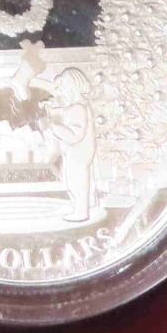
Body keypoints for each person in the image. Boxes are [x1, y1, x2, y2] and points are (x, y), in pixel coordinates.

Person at [45, 68, 97, 223]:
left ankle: (81, 212)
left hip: (79, 153)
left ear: (72, 88)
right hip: (79, 152)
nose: (60, 92)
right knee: (78, 179)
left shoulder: (77, 108)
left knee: (76, 182)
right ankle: (88, 204)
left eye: (63, 88)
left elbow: (75, 136)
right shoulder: (77, 106)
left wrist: (54, 127)